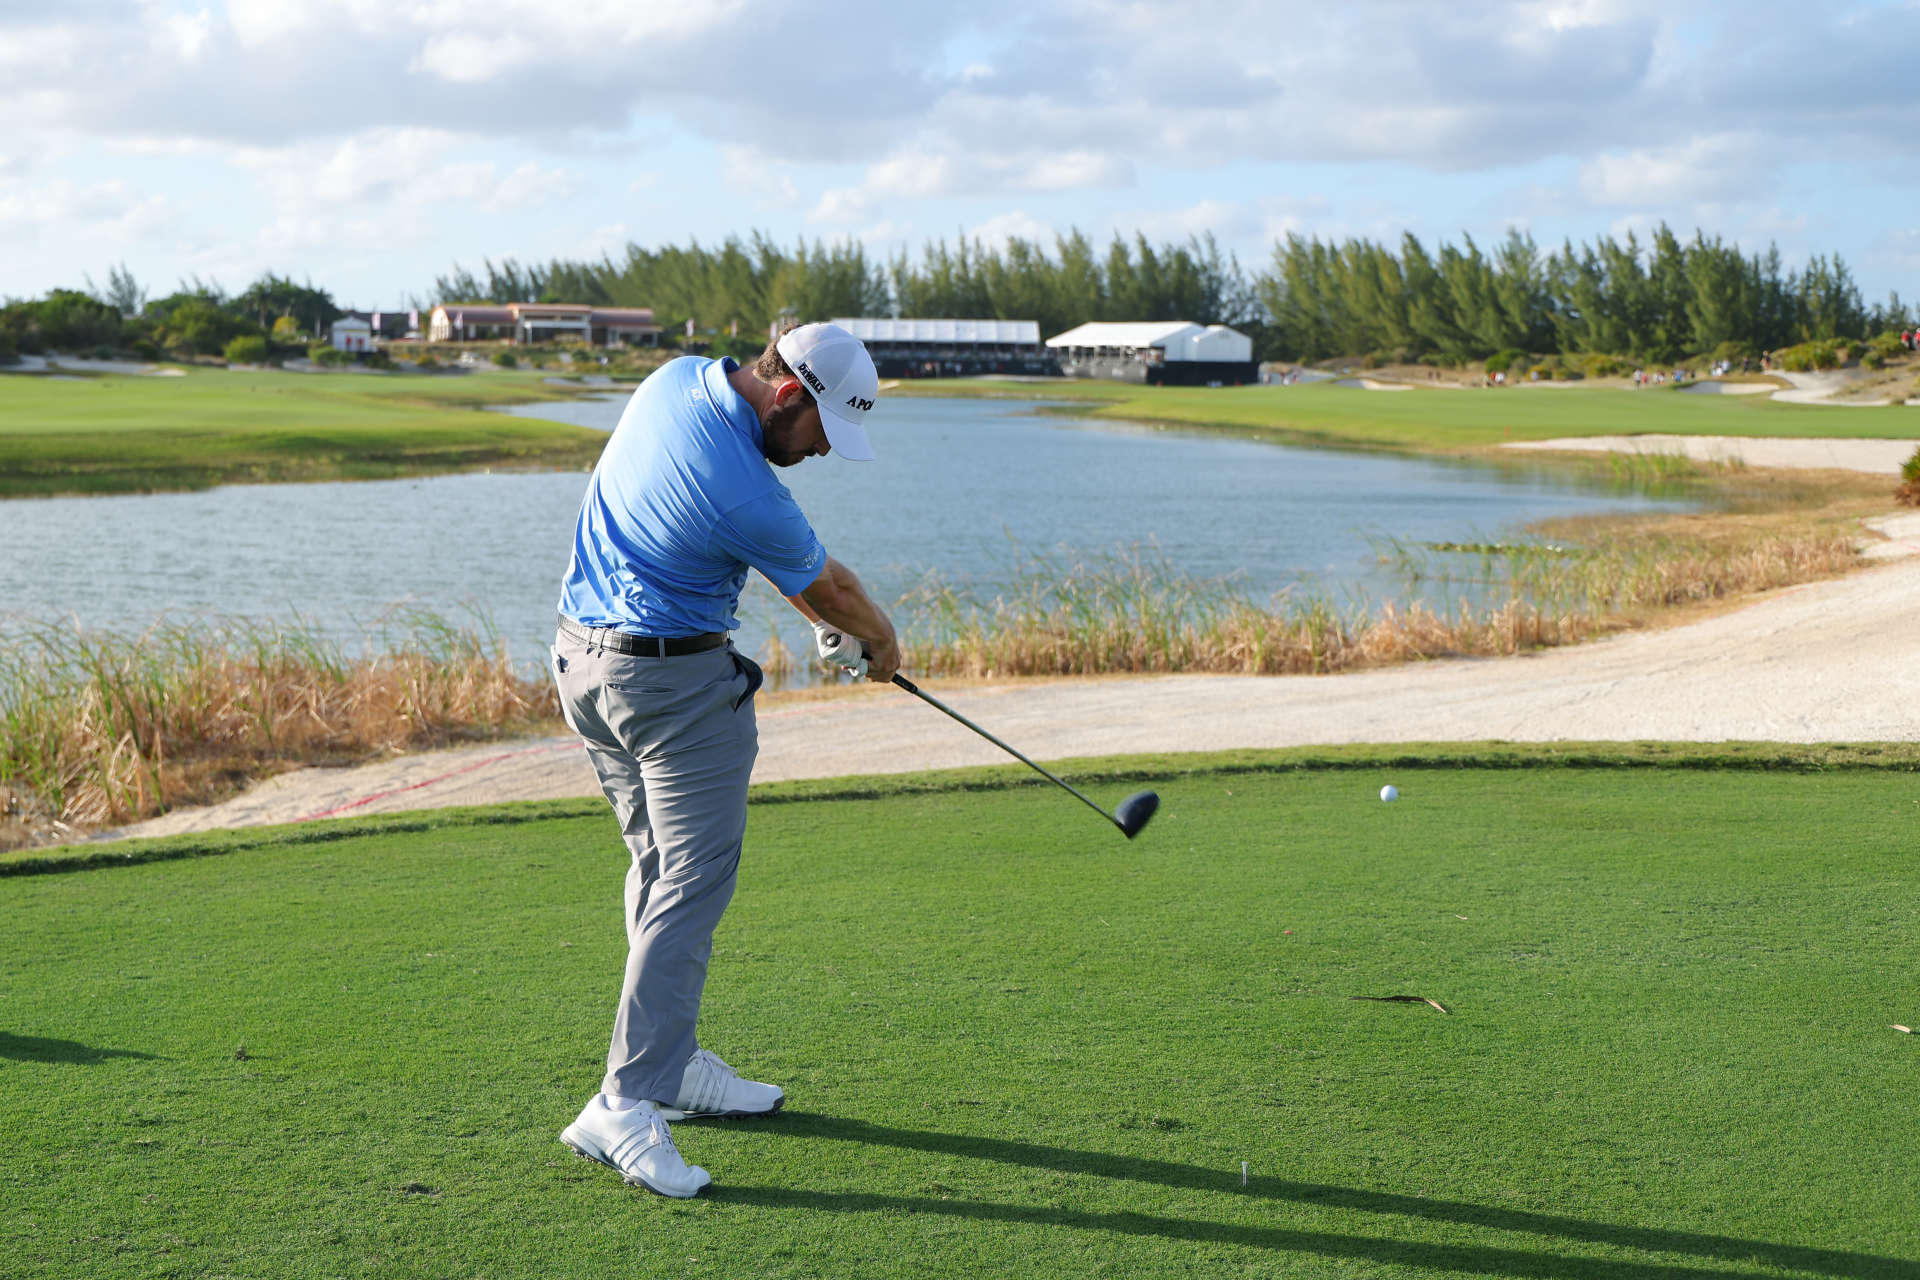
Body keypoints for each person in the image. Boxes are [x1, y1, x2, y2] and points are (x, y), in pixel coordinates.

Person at [550, 322, 901, 1198]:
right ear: (789, 395)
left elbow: (743, 545)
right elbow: (833, 589)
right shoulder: (751, 491)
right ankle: (626, 1100)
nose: (821, 452)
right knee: (691, 882)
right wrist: (882, 645)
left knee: (660, 866)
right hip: (670, 692)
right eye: (822, 431)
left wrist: (820, 611)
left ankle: (666, 1067)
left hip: (583, 669)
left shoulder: (673, 381)